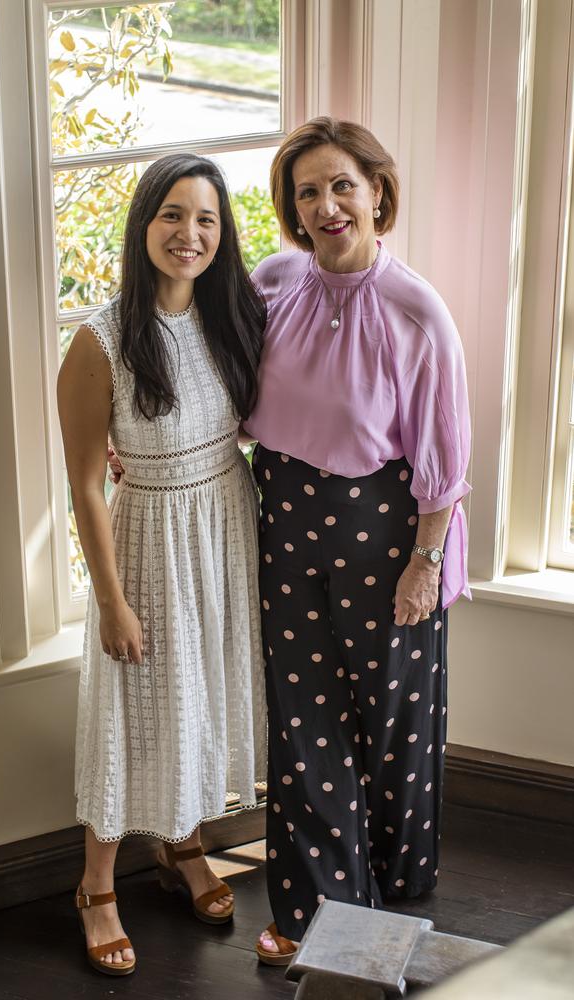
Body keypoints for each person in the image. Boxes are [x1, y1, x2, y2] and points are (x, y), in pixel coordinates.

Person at [242, 117, 471, 964]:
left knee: (393, 715)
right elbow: (222, 388)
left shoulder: (417, 308)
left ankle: (397, 882)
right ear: (293, 209)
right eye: (308, 191)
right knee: (304, 717)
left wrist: (424, 563)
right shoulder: (271, 282)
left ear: (377, 191)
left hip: (387, 528)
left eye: (343, 185)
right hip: (286, 517)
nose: (328, 204)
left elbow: (445, 459)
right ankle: (314, 908)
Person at [57, 153, 267, 976]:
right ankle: (95, 887)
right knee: (131, 710)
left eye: (207, 219)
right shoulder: (100, 340)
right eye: (173, 215)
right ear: (145, 224)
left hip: (225, 527)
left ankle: (183, 844)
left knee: (202, 695)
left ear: (223, 234)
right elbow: (82, 484)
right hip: (147, 546)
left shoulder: (235, 315)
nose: (190, 234)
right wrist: (111, 601)